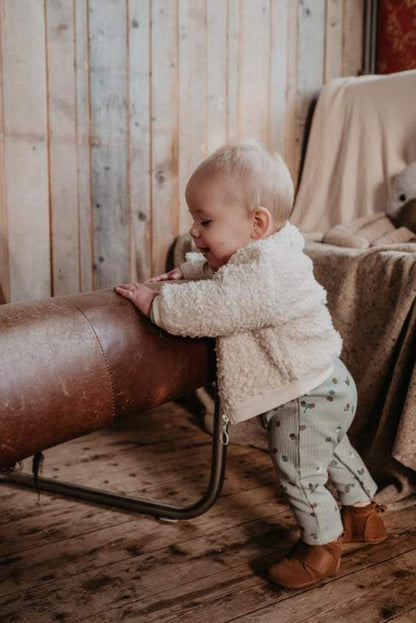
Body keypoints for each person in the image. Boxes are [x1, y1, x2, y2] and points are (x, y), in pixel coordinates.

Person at [115, 140, 387, 589]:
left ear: (257, 222)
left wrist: (154, 304)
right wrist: (184, 274)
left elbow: (219, 305)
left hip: (304, 395)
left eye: (205, 221)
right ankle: (364, 516)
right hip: (328, 381)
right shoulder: (266, 254)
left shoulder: (266, 273)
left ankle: (321, 546)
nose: (195, 233)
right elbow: (225, 272)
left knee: (300, 470)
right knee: (334, 449)